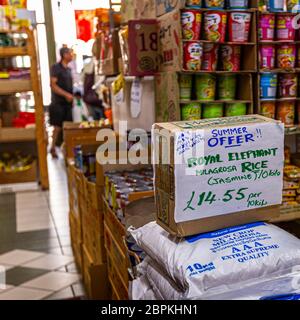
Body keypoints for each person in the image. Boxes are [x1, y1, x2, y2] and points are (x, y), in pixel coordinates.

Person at [49, 47, 74, 158]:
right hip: (58, 103)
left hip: (68, 104)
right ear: (64, 55)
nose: (72, 55)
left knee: (68, 127)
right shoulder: (56, 68)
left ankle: (67, 149)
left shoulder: (68, 70)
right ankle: (52, 147)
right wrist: (66, 95)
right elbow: (53, 86)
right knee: (57, 127)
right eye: (70, 53)